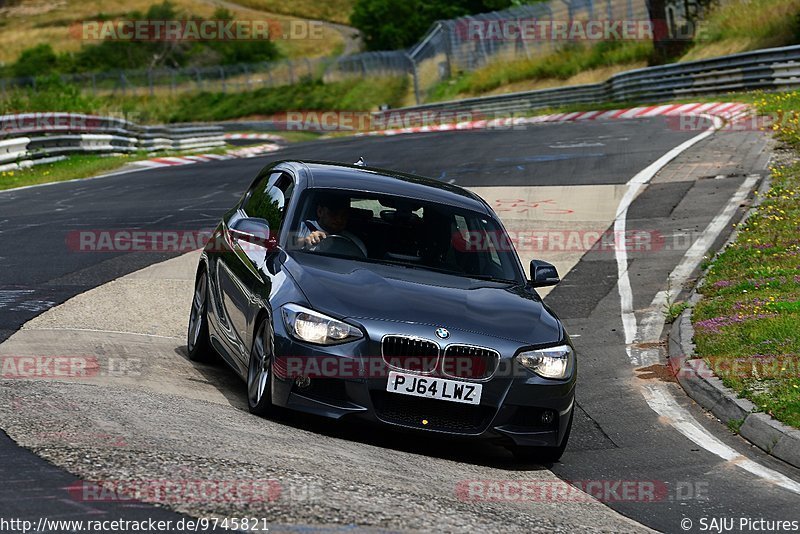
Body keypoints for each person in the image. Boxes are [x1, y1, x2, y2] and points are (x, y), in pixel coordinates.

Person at [296, 195, 368, 256]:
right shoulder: (300, 228)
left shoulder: (355, 244)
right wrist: (305, 242)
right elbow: (287, 245)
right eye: (333, 213)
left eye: (344, 215)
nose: (339, 219)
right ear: (320, 211)